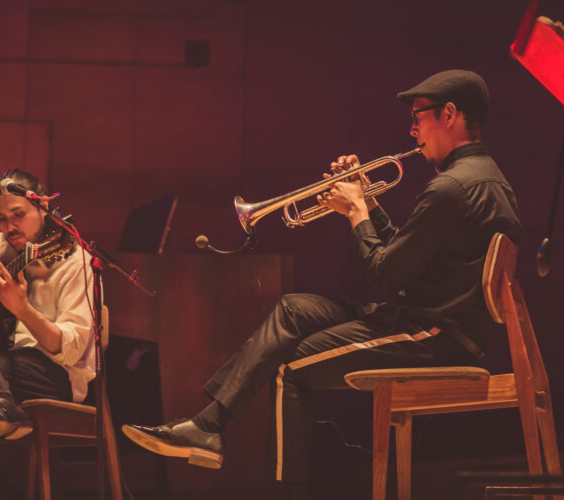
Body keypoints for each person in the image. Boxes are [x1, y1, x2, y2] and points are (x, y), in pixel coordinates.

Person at [122, 70, 523, 499]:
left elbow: (385, 277)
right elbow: (405, 263)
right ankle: (207, 425)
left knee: (289, 371)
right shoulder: (483, 178)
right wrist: (367, 202)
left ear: (448, 114)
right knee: (295, 308)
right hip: (425, 317)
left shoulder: (450, 188)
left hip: (434, 334)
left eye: (417, 116)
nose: (411, 128)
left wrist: (355, 214)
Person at [0, 169, 96, 440]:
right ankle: (0, 403)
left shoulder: (74, 260)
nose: (10, 227)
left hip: (55, 371)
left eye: (18, 215)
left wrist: (23, 310)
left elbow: (71, 351)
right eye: (1, 219)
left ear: (43, 206)